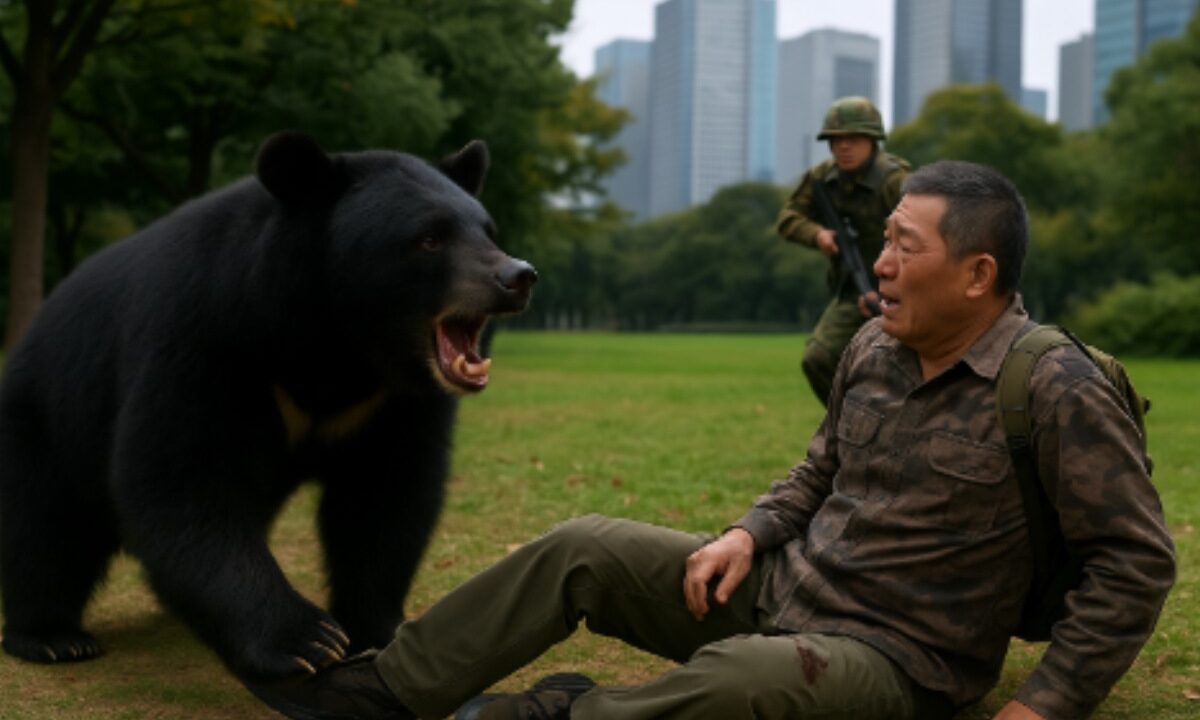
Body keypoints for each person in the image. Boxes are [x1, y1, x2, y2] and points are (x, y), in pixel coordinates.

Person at [253, 161, 1175, 720]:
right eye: (883, 239)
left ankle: (566, 712)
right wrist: (745, 534)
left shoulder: (1054, 384)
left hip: (900, 659)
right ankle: (384, 691)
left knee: (739, 682)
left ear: (978, 275)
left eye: (906, 247)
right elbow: (820, 468)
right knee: (584, 547)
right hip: (785, 586)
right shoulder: (875, 345)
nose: (881, 264)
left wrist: (1045, 703)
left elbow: (1133, 564)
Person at [777, 96, 910, 406]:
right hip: (853, 292)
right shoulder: (821, 179)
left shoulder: (895, 181)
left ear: (872, 140)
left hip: (905, 293)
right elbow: (787, 219)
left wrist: (894, 292)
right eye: (835, 140)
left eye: (852, 139)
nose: (843, 147)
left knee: (904, 372)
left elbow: (926, 235)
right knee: (817, 358)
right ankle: (850, 428)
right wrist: (817, 235)